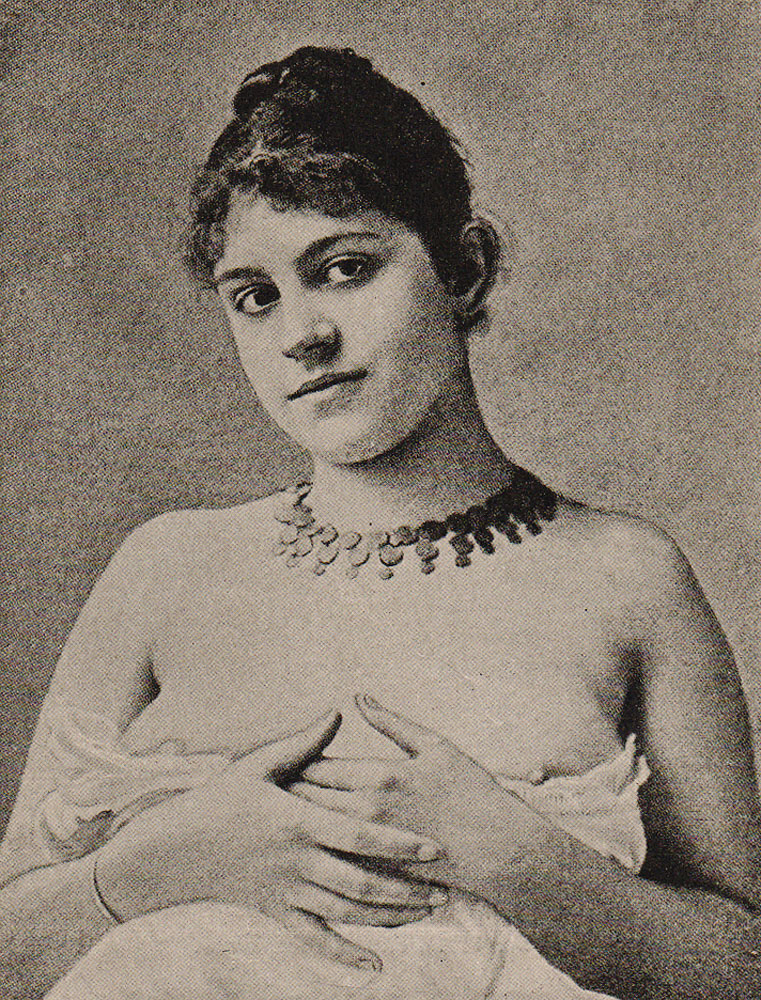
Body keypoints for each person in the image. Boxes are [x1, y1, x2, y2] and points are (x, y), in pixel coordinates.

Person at [1, 45, 760, 1000]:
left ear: (464, 267)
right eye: (255, 298)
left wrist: (513, 859)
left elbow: (743, 967)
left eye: (345, 268)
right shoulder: (165, 567)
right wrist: (154, 865)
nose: (302, 335)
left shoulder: (624, 575)